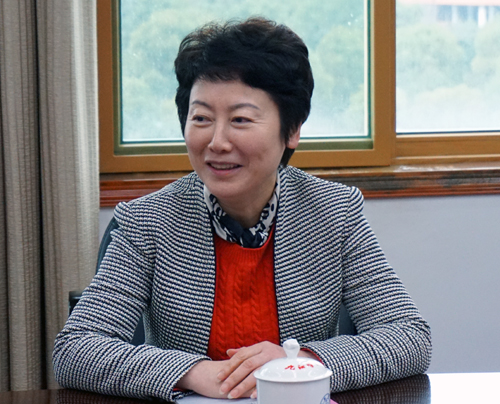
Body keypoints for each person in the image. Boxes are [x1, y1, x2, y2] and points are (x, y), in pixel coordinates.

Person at [53, 17, 431, 402]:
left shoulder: (334, 213)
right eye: (201, 118)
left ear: (292, 130)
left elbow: (409, 337)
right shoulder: (148, 222)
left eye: (240, 120)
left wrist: (297, 362)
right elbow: (75, 349)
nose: (217, 142)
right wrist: (193, 372)